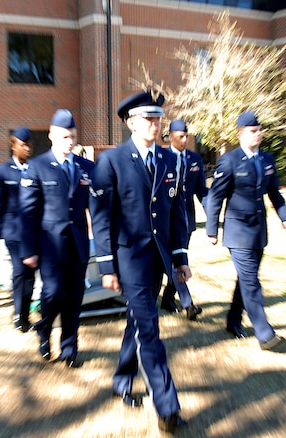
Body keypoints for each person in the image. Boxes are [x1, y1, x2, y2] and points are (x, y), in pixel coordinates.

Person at [90, 91, 191, 433]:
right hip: (129, 258)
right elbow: (101, 218)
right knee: (150, 329)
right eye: (148, 118)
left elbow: (176, 211)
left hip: (159, 260)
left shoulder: (166, 160)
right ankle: (167, 406)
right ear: (131, 122)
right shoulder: (112, 161)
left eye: (158, 118)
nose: (155, 123)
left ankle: (121, 379)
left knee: (137, 319)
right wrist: (106, 266)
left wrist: (180, 256)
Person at [205, 111, 286, 350]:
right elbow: (216, 197)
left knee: (245, 279)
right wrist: (212, 230)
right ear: (240, 134)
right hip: (237, 231)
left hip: (258, 231)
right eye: (253, 131)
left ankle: (233, 321)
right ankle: (265, 334)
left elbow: (274, 192)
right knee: (251, 282)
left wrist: (285, 218)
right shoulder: (229, 161)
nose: (258, 134)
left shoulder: (267, 160)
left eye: (259, 130)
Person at [21, 110, 95, 368]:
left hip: (78, 244)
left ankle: (69, 348)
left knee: (74, 297)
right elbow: (27, 213)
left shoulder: (87, 168)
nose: (70, 141)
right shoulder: (37, 167)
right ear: (52, 135)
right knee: (52, 293)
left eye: (73, 136)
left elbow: (100, 203)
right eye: (65, 136)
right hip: (49, 245)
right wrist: (28, 249)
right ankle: (44, 329)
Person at [160, 119, 206, 321]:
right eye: (181, 136)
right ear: (171, 137)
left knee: (180, 260)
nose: (185, 139)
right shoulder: (163, 157)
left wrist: (212, 212)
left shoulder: (194, 159)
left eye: (187, 136)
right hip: (166, 220)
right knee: (173, 263)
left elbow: (202, 190)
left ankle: (168, 298)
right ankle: (188, 303)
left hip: (185, 220)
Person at [0, 126, 36, 332]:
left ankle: (24, 312)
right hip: (13, 230)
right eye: (23, 145)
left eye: (29, 145)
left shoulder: (36, 168)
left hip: (34, 231)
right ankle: (19, 314)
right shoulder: (2, 171)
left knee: (30, 274)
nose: (27, 149)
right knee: (20, 271)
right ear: (13, 146)